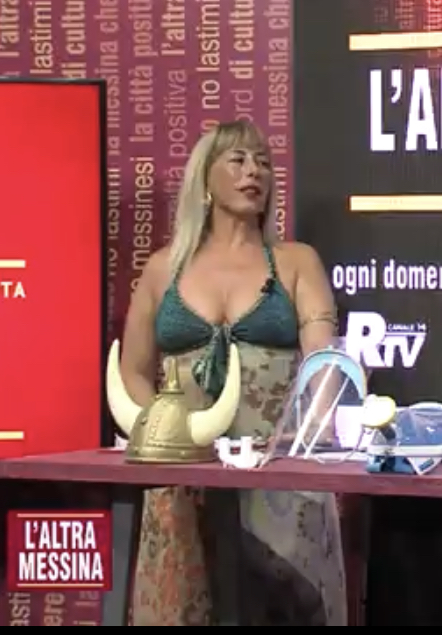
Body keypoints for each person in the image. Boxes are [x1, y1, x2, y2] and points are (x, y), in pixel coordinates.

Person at [118, 120, 347, 625]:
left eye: (263, 162)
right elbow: (133, 370)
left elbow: (324, 361)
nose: (254, 172)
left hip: (278, 469)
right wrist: (162, 436)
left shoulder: (296, 262)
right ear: (205, 180)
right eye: (238, 160)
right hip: (182, 473)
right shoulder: (164, 269)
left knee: (285, 606)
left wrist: (310, 436)